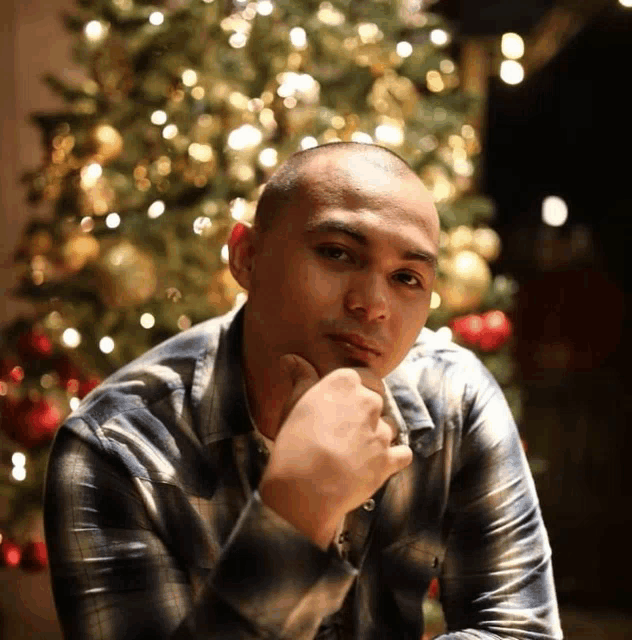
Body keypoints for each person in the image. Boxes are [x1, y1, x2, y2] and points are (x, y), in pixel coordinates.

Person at [44, 142, 563, 640]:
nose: (373, 304)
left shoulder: (457, 397)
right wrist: (296, 511)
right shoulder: (116, 448)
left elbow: (521, 631)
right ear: (246, 257)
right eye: (337, 252)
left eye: (407, 278)